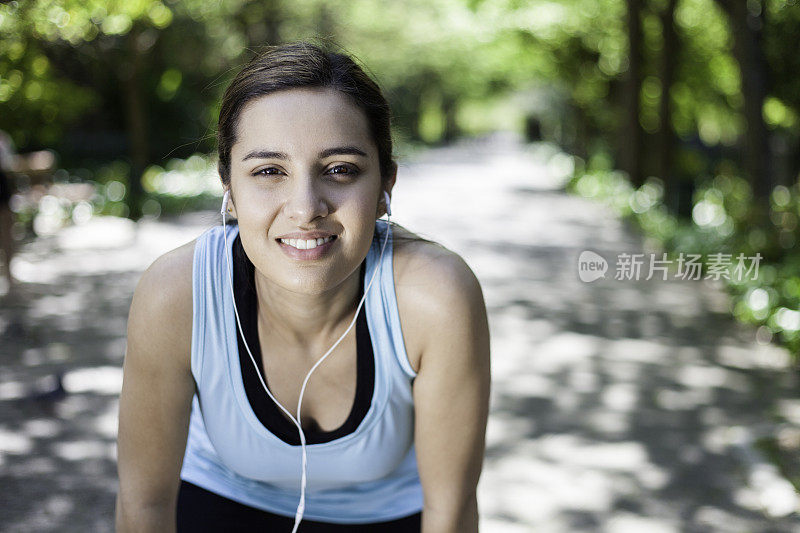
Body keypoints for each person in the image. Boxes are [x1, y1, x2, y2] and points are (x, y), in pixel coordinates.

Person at [116, 41, 491, 533]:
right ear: (229, 188)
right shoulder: (176, 294)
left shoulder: (435, 298)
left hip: (384, 516)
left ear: (385, 187)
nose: (305, 207)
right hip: (220, 501)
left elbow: (451, 512)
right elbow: (143, 507)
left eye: (340, 170)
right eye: (269, 171)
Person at [0, 130, 16, 293]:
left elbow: (8, 165)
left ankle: (9, 275)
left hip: (2, 187)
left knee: (7, 232)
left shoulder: (3, 138)